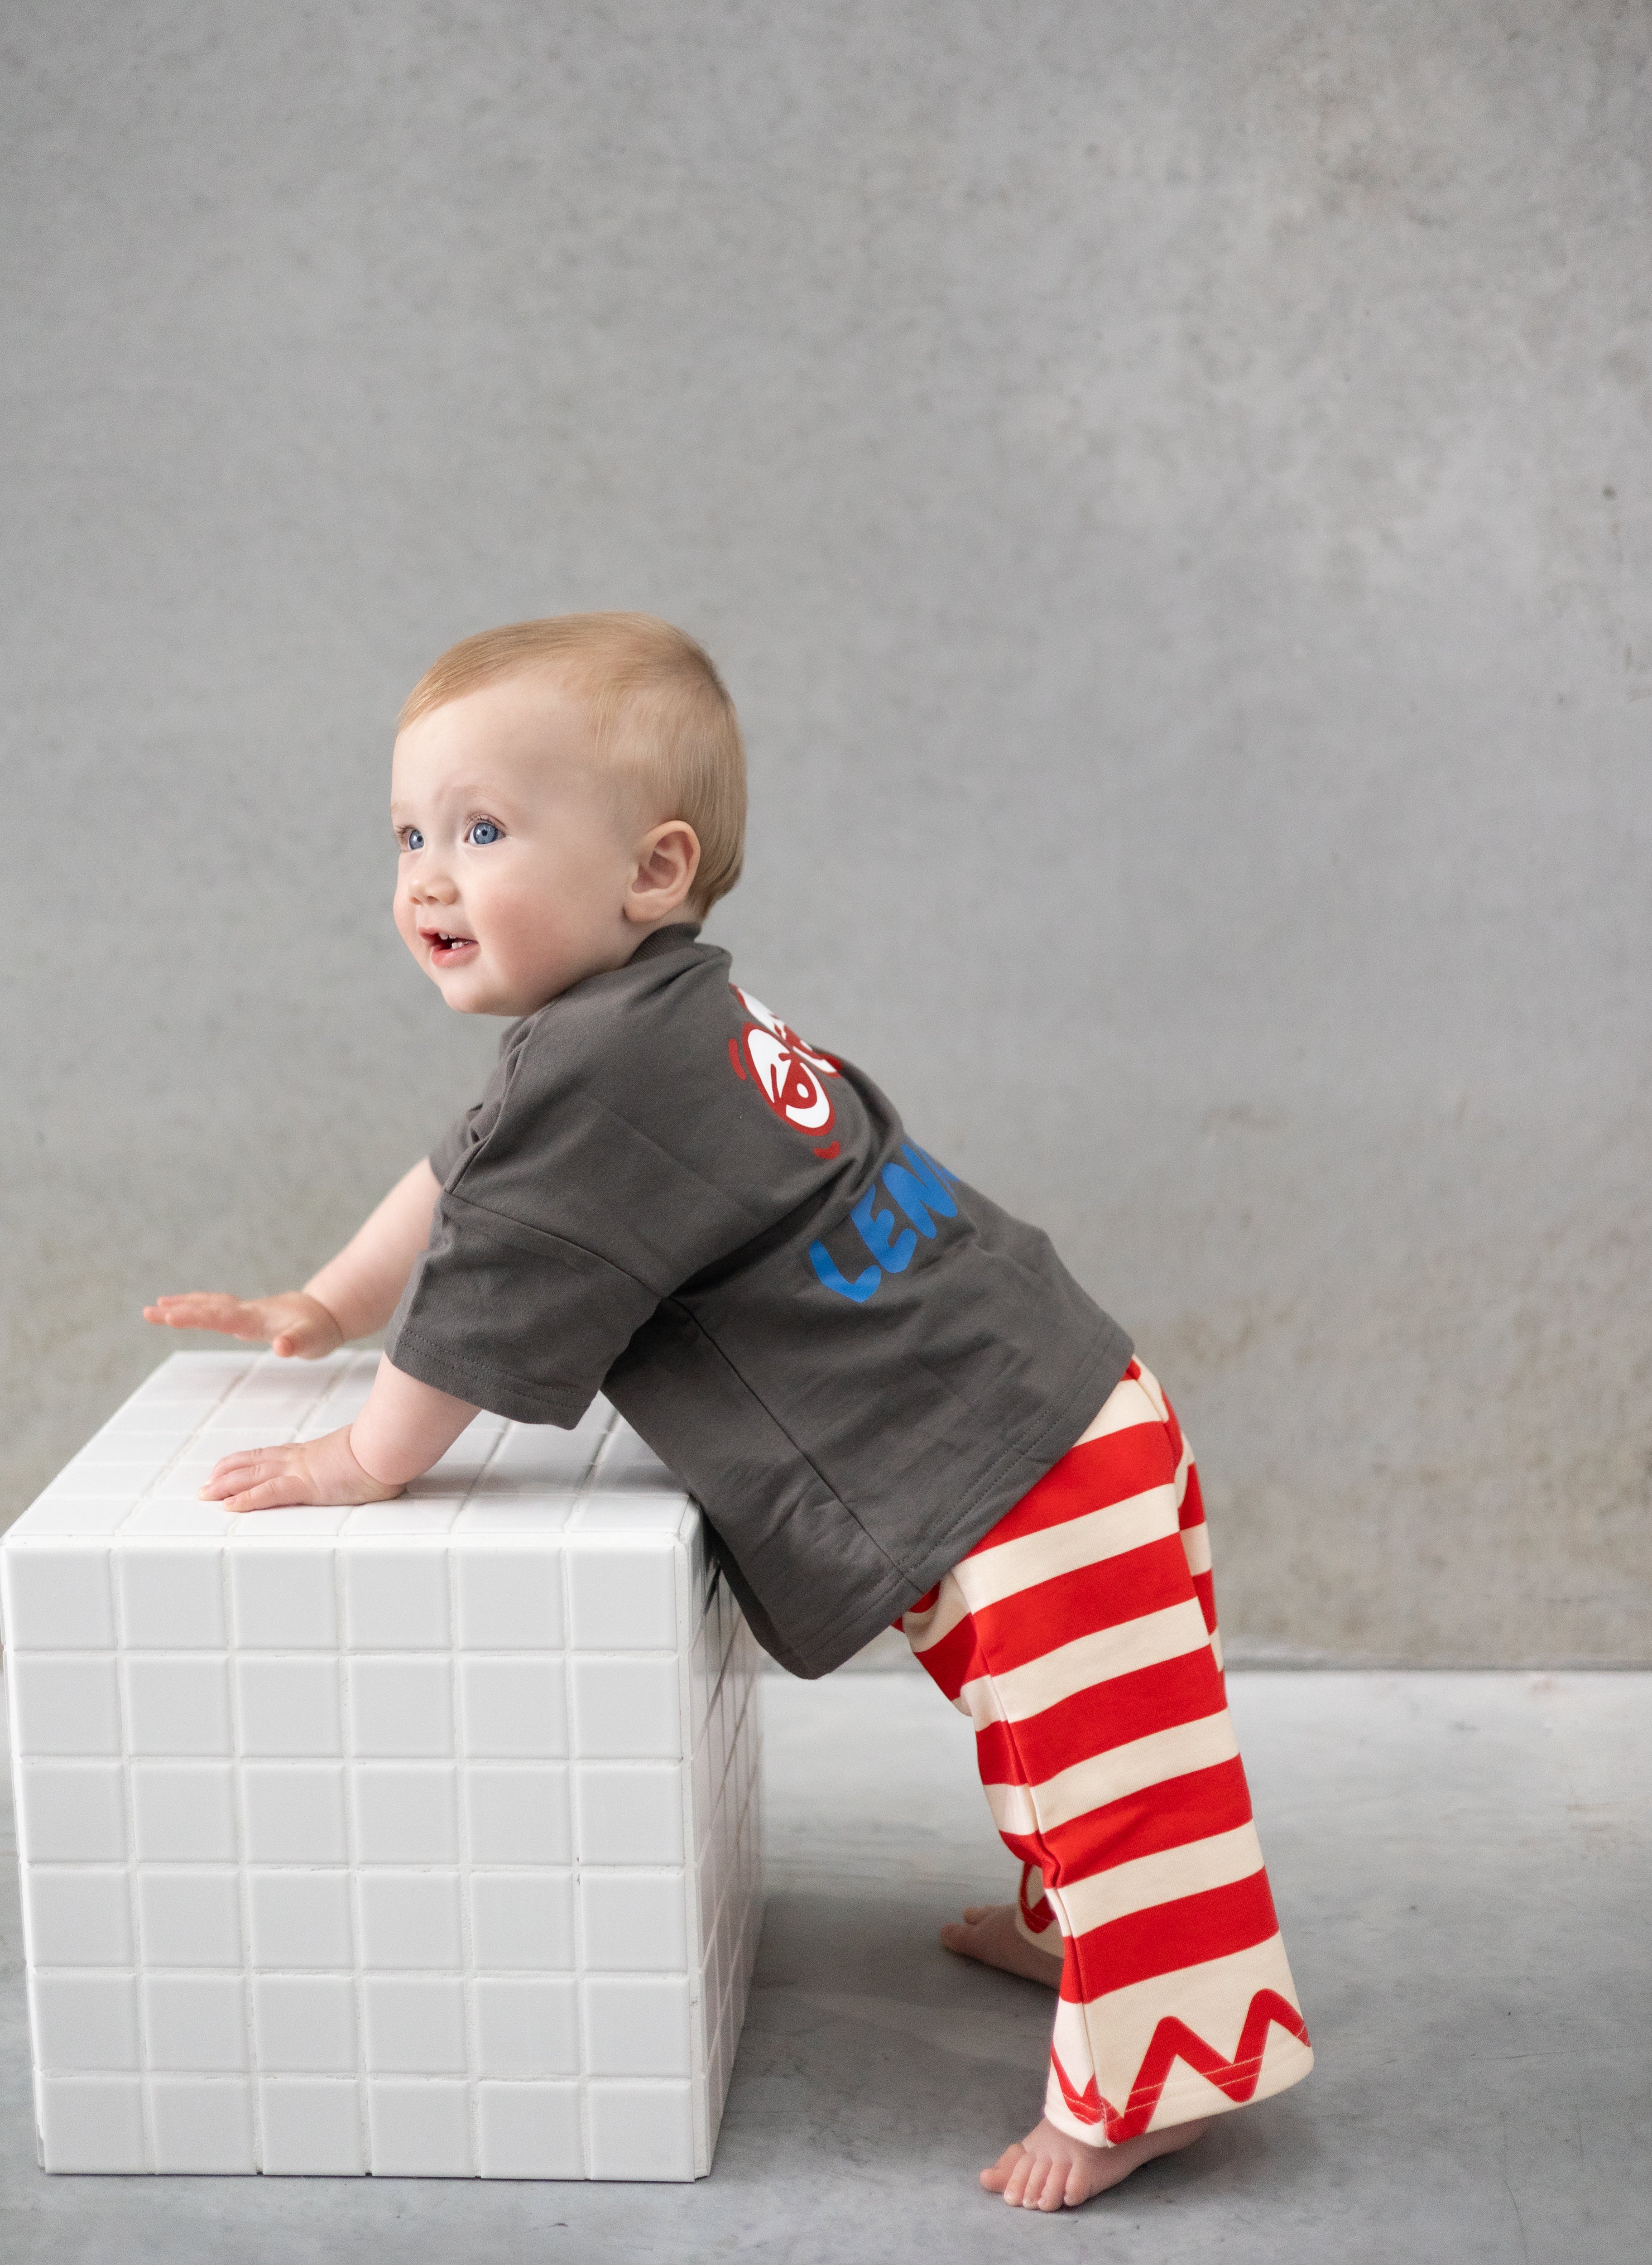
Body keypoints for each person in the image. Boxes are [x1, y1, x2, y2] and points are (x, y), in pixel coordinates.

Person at [146, 611, 1312, 2211]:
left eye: (482, 832)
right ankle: (1078, 1940)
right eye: (409, 835)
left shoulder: (612, 1067)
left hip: (1026, 1461)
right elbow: (466, 1174)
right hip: (1050, 1408)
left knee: (1124, 1770)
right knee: (1049, 1724)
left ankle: (1169, 2076)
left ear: (653, 870)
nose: (427, 879)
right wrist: (332, 1302)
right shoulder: (646, 1024)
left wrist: (364, 1453)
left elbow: (496, 1284)